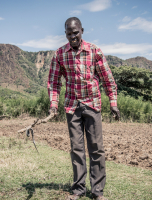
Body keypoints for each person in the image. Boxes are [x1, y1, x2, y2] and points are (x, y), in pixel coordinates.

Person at [47, 17, 120, 200]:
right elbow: (54, 83)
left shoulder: (94, 51)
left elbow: (107, 79)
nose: (73, 36)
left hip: (92, 104)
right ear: (65, 33)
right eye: (69, 33)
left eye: (76, 32)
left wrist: (113, 103)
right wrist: (53, 105)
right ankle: (79, 189)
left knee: (96, 149)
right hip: (72, 106)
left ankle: (97, 192)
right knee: (77, 149)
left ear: (82, 31)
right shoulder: (59, 54)